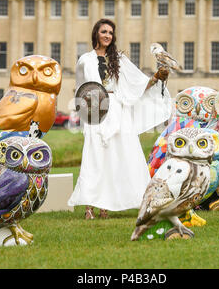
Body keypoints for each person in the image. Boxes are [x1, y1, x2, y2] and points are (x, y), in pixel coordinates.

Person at [67, 18, 172, 219]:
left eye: (110, 32)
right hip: (96, 111)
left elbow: (137, 83)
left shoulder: (119, 59)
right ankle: (90, 206)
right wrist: (86, 113)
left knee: (117, 157)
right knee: (95, 156)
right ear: (96, 34)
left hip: (118, 109)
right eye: (104, 31)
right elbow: (81, 89)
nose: (107, 35)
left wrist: (156, 77)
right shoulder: (85, 60)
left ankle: (106, 206)